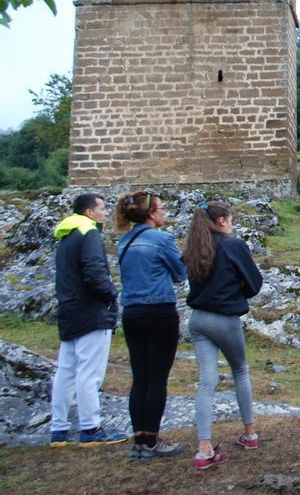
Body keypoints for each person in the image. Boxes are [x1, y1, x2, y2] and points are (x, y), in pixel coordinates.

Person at [183, 201, 264, 470]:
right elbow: (255, 283)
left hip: (197, 320)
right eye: (230, 220)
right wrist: (238, 289)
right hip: (224, 319)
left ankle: (203, 448)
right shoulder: (233, 246)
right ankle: (250, 434)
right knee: (240, 370)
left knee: (206, 382)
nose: (231, 224)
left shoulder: (194, 248)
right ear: (221, 222)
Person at [49, 192, 127, 447]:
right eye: (103, 209)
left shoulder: (67, 237)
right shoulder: (89, 233)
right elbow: (95, 271)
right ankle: (90, 428)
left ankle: (58, 430)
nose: (106, 213)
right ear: (89, 212)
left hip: (68, 308)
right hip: (91, 310)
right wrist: (111, 294)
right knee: (89, 373)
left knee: (66, 371)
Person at [114, 191, 186, 459]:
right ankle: (153, 442)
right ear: (152, 213)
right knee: (157, 379)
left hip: (131, 312)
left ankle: (139, 441)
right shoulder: (161, 238)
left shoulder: (124, 241)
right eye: (162, 208)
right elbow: (181, 272)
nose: (165, 212)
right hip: (159, 312)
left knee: (140, 378)